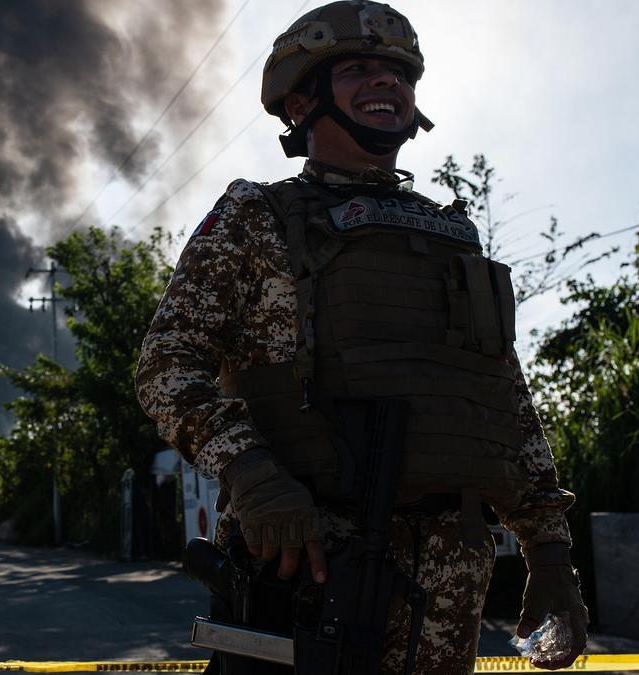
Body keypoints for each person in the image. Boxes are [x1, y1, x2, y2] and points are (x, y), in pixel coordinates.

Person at [135, 2, 588, 672]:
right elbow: (165, 366)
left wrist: (550, 555)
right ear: (301, 102)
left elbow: (504, 404)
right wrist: (253, 473)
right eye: (356, 69)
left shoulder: (449, 237)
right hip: (306, 565)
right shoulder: (255, 217)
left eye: (398, 73)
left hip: (447, 586)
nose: (385, 83)